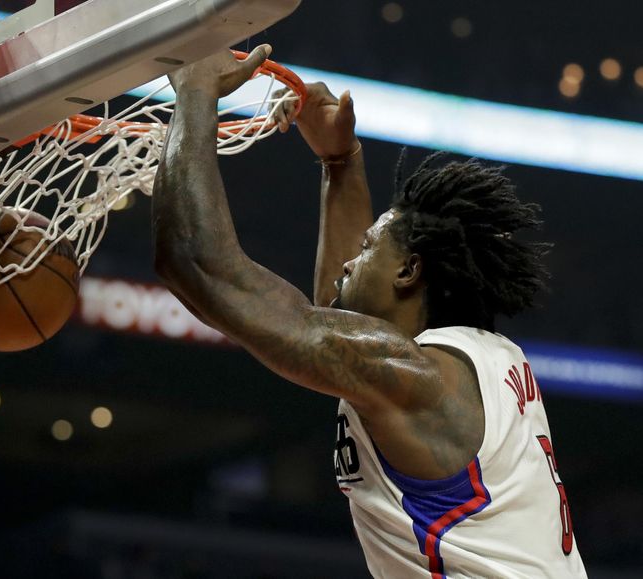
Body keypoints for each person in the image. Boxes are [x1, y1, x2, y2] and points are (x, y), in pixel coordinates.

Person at [152, 45, 587, 578]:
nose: (348, 262)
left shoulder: (417, 378)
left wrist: (196, 91)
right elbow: (335, 321)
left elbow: (195, 261)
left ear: (409, 271)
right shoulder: (485, 363)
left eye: (366, 249)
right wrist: (341, 163)